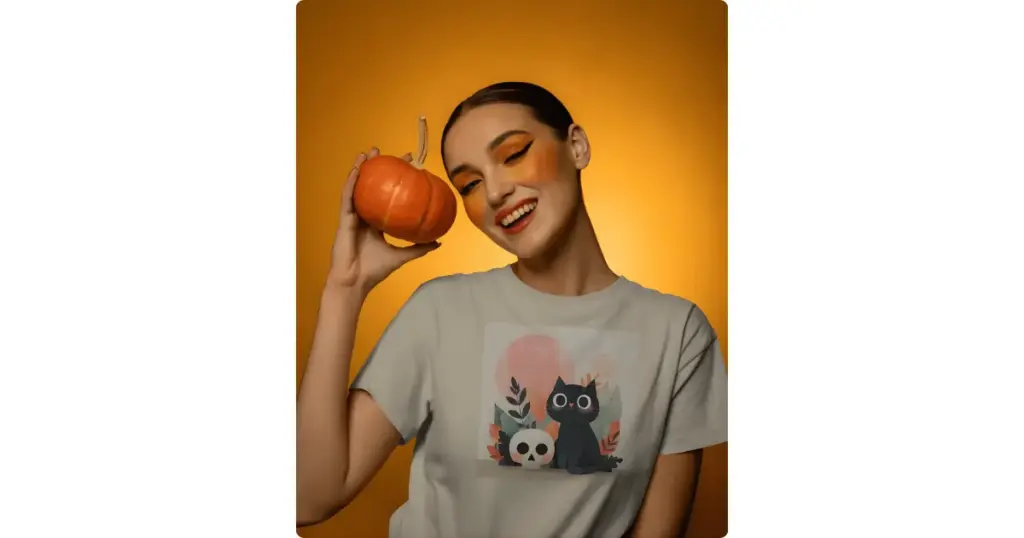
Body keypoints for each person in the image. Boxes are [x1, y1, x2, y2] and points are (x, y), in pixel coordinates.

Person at [296, 81, 728, 538]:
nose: (497, 191)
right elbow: (308, 497)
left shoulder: (678, 333)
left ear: (576, 146)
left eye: (514, 153)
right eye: (470, 183)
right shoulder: (440, 310)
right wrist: (345, 287)